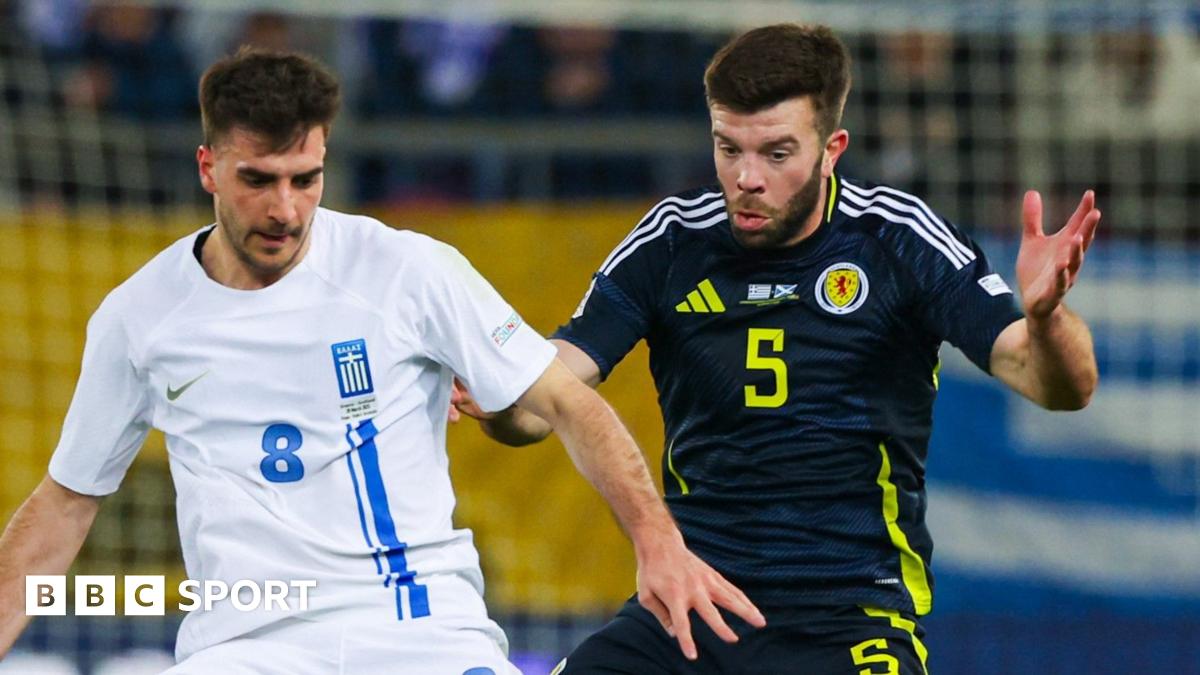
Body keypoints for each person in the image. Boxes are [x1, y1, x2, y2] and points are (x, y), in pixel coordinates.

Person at [0, 47, 764, 673]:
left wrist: (658, 545)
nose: (286, 210)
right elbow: (67, 502)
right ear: (208, 168)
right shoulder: (140, 318)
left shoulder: (407, 269)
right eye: (258, 181)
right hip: (245, 649)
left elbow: (568, 401)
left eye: (306, 179)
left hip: (419, 629)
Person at [453, 24, 1099, 673]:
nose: (747, 178)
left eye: (776, 153)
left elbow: (1057, 385)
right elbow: (550, 395)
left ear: (831, 149)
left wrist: (1048, 319)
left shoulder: (897, 239)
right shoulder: (672, 242)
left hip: (851, 613)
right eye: (728, 149)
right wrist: (505, 395)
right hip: (694, 602)